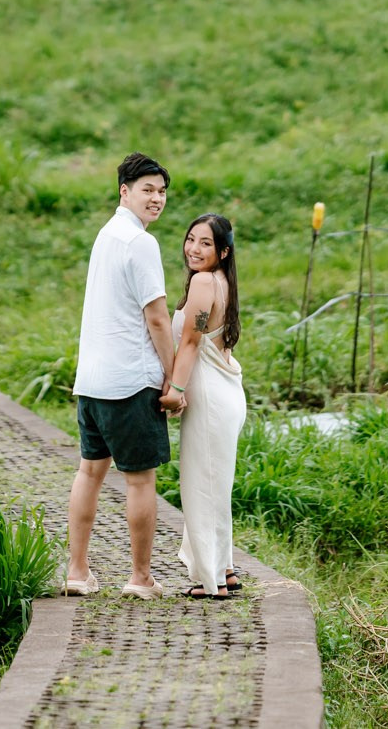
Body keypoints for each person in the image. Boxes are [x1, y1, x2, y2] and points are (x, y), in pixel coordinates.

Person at [66, 152, 182, 599]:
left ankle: (78, 572)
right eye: (147, 190)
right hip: (130, 382)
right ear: (124, 191)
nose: (157, 199)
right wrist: (174, 377)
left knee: (89, 474)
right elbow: (157, 317)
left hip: (91, 382)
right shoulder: (140, 242)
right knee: (140, 480)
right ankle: (140, 577)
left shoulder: (107, 234)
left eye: (162, 192)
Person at [166, 213, 247, 599]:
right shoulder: (222, 281)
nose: (194, 249)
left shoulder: (202, 282)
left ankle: (210, 581)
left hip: (210, 398)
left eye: (205, 243)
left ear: (223, 251)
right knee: (216, 485)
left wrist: (175, 389)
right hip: (224, 394)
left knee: (202, 486)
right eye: (191, 239)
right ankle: (224, 570)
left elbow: (190, 341)